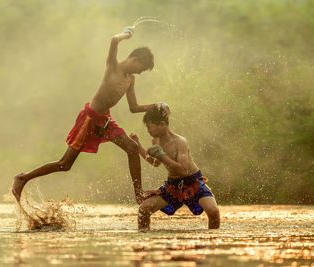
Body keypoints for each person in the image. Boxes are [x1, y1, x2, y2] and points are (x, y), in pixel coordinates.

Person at [12, 26, 161, 204]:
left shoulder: (131, 79)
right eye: (141, 68)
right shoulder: (113, 67)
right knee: (64, 164)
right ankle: (23, 178)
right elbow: (114, 40)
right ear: (135, 59)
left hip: (105, 120)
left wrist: (156, 106)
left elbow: (134, 107)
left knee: (132, 148)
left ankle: (139, 194)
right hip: (90, 119)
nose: (139, 72)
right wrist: (127, 34)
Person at [130, 104, 220, 231]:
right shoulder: (156, 141)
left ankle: (213, 239)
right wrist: (138, 146)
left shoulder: (180, 142)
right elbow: (155, 162)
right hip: (173, 185)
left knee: (213, 211)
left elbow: (184, 170)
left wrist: (162, 156)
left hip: (192, 182)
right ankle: (144, 239)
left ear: (162, 124)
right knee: (143, 209)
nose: (148, 131)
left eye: (150, 127)